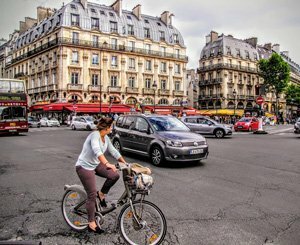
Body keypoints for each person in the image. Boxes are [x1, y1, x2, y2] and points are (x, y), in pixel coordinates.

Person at [75, 117, 126, 234]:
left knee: (114, 175)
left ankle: (102, 194)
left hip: (95, 164)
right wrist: (108, 163)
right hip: (84, 167)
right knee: (91, 194)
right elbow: (97, 150)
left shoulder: (106, 138)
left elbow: (114, 151)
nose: (112, 129)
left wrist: (125, 163)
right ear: (106, 128)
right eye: (111, 127)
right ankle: (91, 223)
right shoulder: (95, 135)